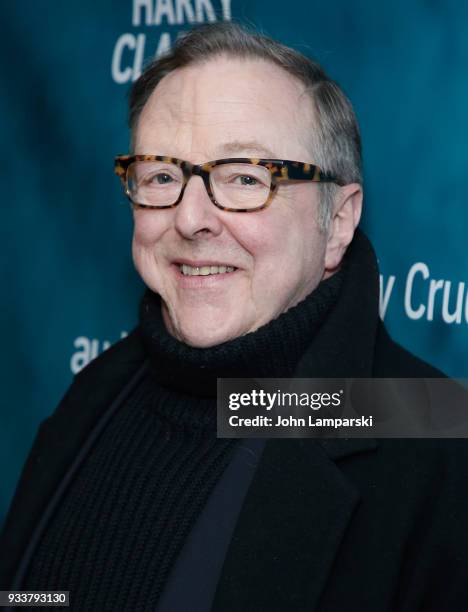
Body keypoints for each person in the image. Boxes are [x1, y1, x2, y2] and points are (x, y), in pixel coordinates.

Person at [1, 22, 468, 612]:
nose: (191, 217)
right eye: (163, 176)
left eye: (246, 178)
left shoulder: (440, 444)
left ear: (339, 221)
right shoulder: (95, 395)